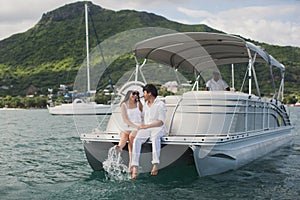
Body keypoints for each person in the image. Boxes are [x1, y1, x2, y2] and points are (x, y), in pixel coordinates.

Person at [131, 84, 167, 179]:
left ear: (150, 93)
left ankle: (155, 164)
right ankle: (135, 166)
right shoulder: (146, 104)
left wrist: (147, 125)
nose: (144, 94)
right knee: (137, 140)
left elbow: (161, 122)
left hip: (158, 128)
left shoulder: (160, 105)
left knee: (155, 138)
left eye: (145, 92)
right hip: (147, 128)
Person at [115, 90, 143, 172]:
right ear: (128, 94)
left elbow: (144, 114)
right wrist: (134, 126)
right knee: (124, 135)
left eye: (137, 94)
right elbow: (125, 119)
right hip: (129, 125)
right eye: (133, 93)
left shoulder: (139, 104)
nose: (135, 95)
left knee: (131, 137)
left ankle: (131, 162)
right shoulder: (124, 105)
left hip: (138, 125)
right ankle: (120, 147)